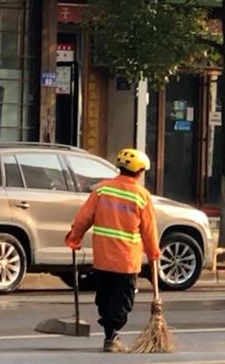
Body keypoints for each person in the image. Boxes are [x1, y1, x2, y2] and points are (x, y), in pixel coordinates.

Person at [65, 148, 160, 353]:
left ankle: (110, 333)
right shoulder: (141, 196)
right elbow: (149, 229)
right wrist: (153, 252)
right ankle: (112, 335)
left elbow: (83, 218)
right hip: (126, 261)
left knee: (105, 297)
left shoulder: (102, 190)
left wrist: (74, 238)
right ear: (140, 171)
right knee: (121, 301)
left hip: (103, 258)